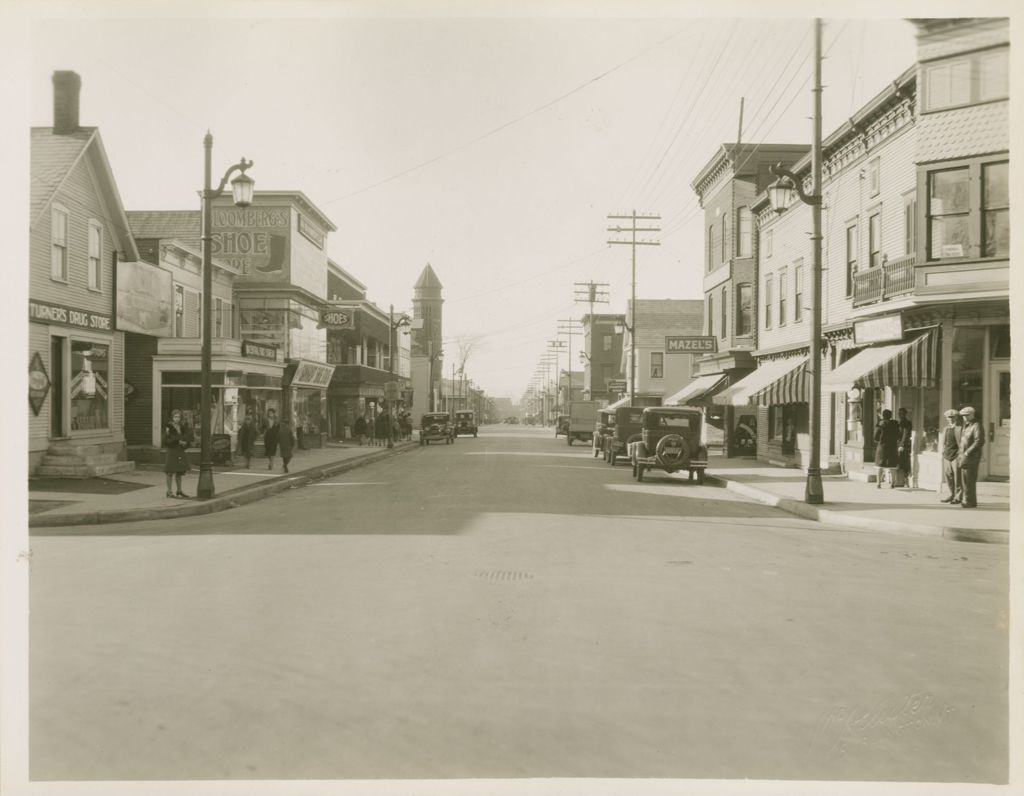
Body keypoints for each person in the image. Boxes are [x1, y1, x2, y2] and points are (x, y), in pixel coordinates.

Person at [957, 406, 985, 508]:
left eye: (967, 415)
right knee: (965, 479)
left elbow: (979, 441)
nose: (965, 417)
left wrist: (967, 452)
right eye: (963, 416)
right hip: (964, 456)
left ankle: (968, 500)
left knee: (969, 479)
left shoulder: (976, 425)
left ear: (972, 414)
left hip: (971, 456)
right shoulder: (966, 426)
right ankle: (970, 500)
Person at [162, 409, 193, 498]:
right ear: (172, 417)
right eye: (175, 417)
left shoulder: (182, 427)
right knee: (170, 471)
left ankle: (179, 490)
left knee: (179, 471)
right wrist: (176, 441)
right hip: (172, 451)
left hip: (180, 450)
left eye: (179, 417)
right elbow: (165, 441)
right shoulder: (168, 427)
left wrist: (185, 443)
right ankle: (169, 491)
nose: (177, 419)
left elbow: (187, 438)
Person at [939, 409, 963, 504]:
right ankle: (951, 494)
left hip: (956, 455)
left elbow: (962, 443)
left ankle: (958, 496)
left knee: (958, 477)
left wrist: (959, 454)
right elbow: (944, 442)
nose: (951, 419)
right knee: (948, 476)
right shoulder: (946, 429)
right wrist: (943, 452)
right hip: (947, 455)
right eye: (949, 418)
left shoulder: (960, 428)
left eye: (952, 417)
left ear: (956, 417)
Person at [873, 409, 901, 488]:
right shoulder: (895, 424)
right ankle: (893, 483)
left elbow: (875, 437)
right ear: (891, 416)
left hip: (882, 447)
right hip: (892, 447)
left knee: (880, 465)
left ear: (883, 415)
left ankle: (878, 483)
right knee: (892, 466)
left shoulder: (880, 424)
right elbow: (899, 436)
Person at [896, 407, 913, 488]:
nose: (900, 415)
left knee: (905, 463)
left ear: (905, 414)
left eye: (901, 414)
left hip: (904, 445)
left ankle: (906, 481)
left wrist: (902, 445)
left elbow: (905, 434)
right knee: (899, 463)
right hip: (897, 444)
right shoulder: (898, 422)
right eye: (899, 413)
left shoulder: (907, 423)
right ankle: (899, 480)